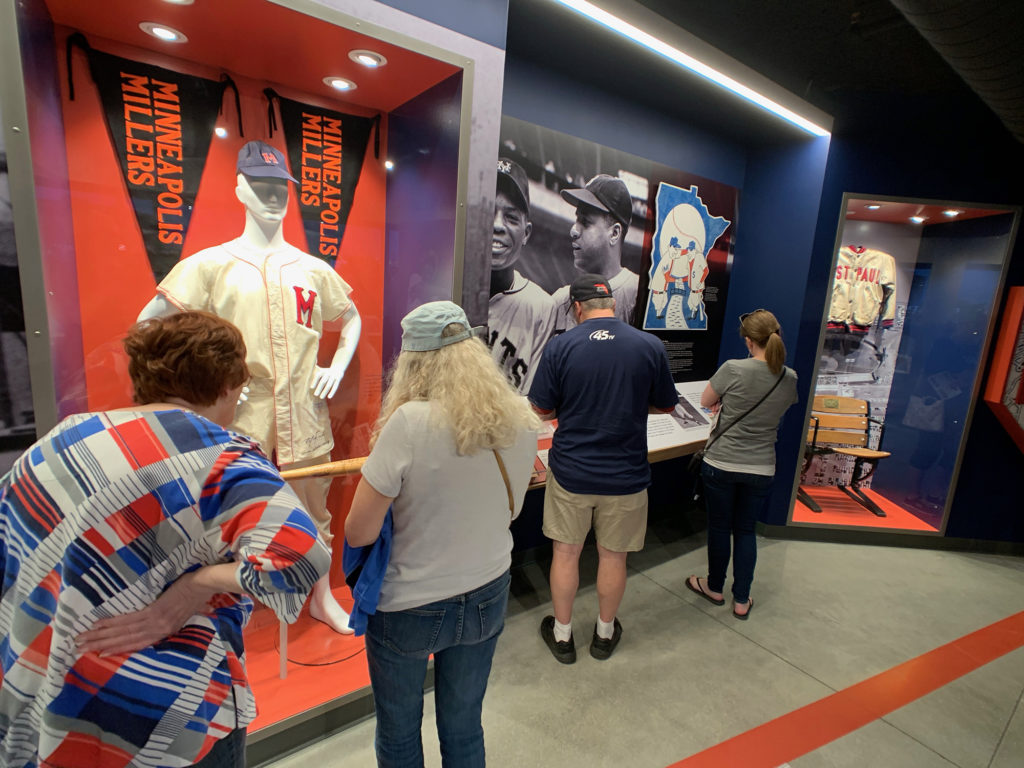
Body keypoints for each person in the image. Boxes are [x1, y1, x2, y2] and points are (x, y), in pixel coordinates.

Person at [0, 311, 331, 767]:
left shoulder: (57, 441)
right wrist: (198, 585)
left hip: (54, 697)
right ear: (227, 387)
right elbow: (302, 558)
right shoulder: (222, 458)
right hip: (170, 710)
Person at [138, 140, 359, 633]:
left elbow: (351, 318)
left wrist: (336, 366)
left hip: (304, 412)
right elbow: (148, 325)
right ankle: (218, 610)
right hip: (240, 415)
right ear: (239, 187)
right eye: (261, 185)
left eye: (281, 186)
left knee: (313, 510)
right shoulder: (210, 265)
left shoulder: (311, 268)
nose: (273, 196)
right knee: (226, 516)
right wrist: (195, 385)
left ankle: (321, 598)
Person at [344, 300, 539, 767]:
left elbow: (357, 530)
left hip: (409, 603)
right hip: (489, 587)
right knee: (464, 724)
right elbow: (507, 512)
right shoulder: (520, 416)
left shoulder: (410, 423)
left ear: (412, 361)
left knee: (398, 731)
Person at [529, 274, 678, 663]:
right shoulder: (648, 345)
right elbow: (666, 405)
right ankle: (604, 634)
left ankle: (563, 637)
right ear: (610, 303)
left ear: (577, 307)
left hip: (572, 471)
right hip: (626, 474)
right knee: (614, 557)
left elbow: (541, 409)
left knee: (566, 552)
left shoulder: (561, 346)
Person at [686, 309, 799, 619]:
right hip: (762, 466)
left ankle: (713, 587)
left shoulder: (733, 368)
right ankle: (741, 599)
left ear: (749, 342)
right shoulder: (789, 377)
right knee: (746, 531)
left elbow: (706, 401)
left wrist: (726, 404)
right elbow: (782, 407)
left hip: (721, 462)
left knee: (720, 528)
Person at [487, 157, 557, 393]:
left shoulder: (542, 308)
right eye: (488, 210)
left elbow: (532, 406)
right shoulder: (444, 291)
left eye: (511, 217)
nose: (497, 225)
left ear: (526, 233)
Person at [552, 175, 639, 332]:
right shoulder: (560, 301)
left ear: (614, 233)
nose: (573, 230)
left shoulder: (639, 296)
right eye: (576, 220)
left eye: (585, 222)